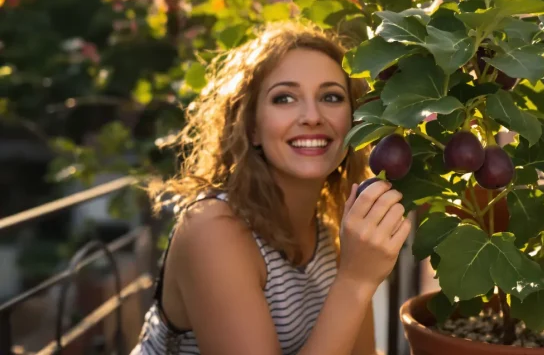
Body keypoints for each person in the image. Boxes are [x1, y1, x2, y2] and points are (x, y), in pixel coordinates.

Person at [131, 21, 411, 355]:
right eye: (284, 98)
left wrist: (355, 276)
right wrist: (355, 280)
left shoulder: (330, 229)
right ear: (250, 127)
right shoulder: (212, 228)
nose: (312, 116)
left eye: (331, 97)